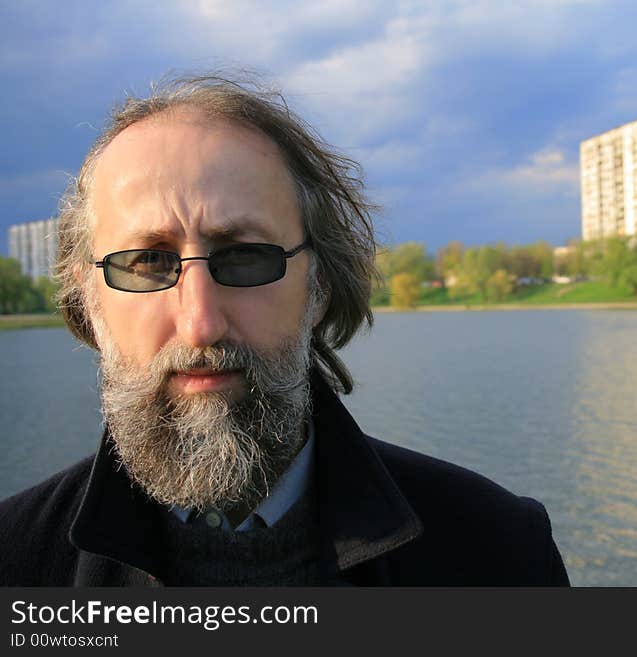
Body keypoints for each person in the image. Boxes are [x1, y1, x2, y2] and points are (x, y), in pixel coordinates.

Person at [0, 74, 569, 586]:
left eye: (246, 257)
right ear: (89, 299)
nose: (200, 324)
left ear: (318, 285)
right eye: (147, 263)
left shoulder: (498, 553)